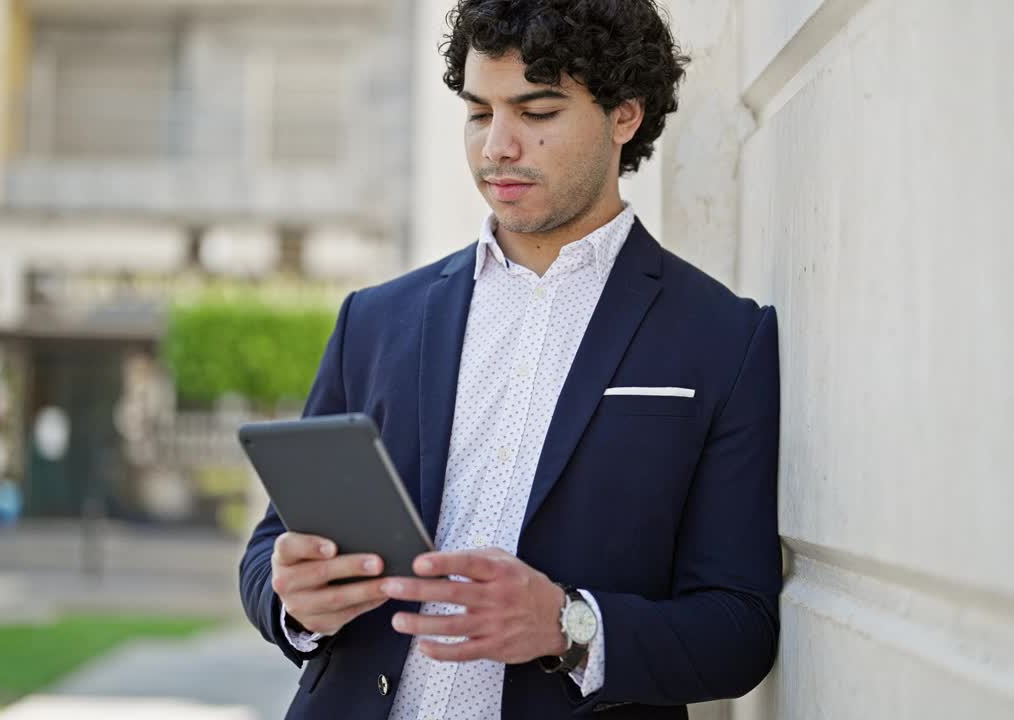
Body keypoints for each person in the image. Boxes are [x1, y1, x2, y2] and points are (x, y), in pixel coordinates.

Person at [238, 1, 781, 717]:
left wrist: (566, 624)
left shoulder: (722, 339)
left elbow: (739, 630)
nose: (497, 146)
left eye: (537, 112)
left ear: (624, 115)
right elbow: (270, 550)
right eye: (478, 112)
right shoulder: (374, 320)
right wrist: (293, 600)